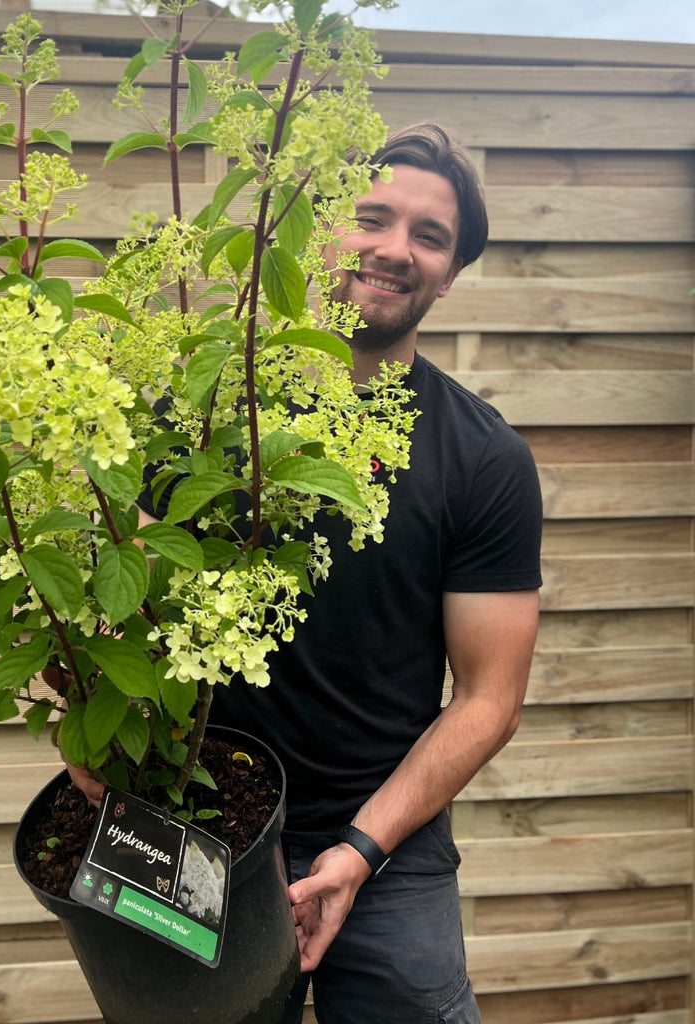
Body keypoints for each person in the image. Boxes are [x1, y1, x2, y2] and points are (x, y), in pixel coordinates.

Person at [74, 122, 543, 1023]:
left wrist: (364, 849)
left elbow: (492, 696)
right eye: (373, 217)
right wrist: (92, 719)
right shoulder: (202, 409)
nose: (394, 249)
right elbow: (115, 601)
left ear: (449, 273)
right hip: (190, 817)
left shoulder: (484, 458)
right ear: (319, 226)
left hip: (385, 841)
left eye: (430, 237)